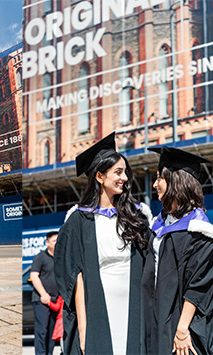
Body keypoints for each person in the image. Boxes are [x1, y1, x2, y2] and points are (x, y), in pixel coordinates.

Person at [54, 132, 151, 354]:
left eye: (125, 172)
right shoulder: (79, 220)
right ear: (99, 176)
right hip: (98, 307)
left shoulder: (137, 217)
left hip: (135, 307)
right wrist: (84, 326)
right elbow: (74, 277)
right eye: (118, 172)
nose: (125, 178)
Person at [143, 146, 213, 355]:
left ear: (176, 181)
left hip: (181, 326)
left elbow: (200, 285)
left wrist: (181, 329)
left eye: (160, 178)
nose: (155, 184)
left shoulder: (199, 232)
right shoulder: (158, 225)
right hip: (154, 321)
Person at [28, 231, 59, 355]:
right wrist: (43, 294)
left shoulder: (59, 258)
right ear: (47, 242)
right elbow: (34, 276)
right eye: (54, 241)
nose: (57, 243)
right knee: (42, 331)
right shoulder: (40, 257)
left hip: (55, 301)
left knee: (52, 332)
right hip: (41, 300)